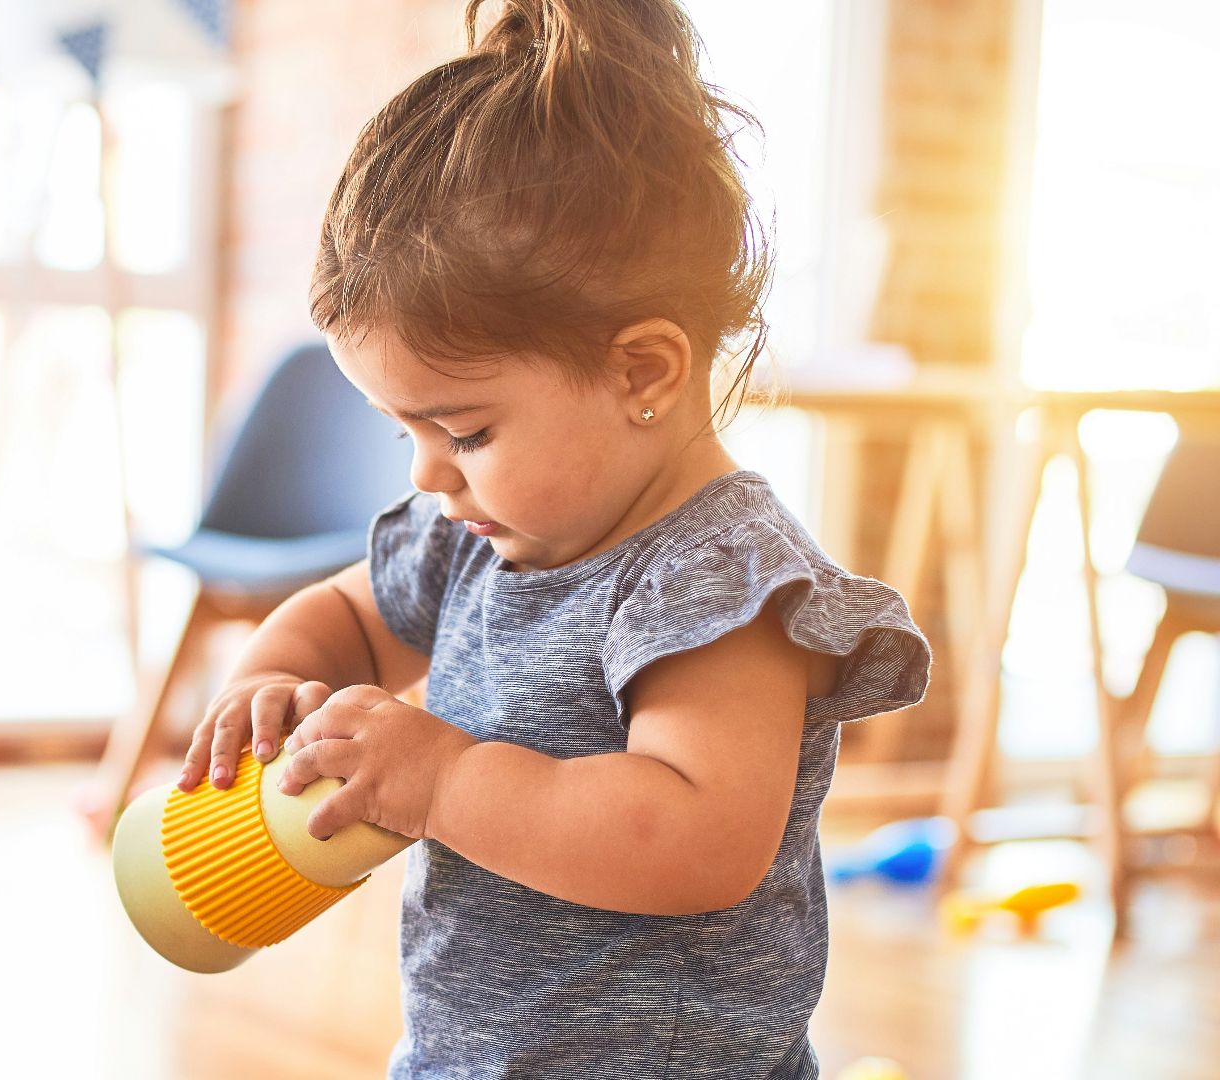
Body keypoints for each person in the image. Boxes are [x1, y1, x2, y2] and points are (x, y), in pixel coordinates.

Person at [175, 0, 934, 1076]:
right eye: (404, 431)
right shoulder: (482, 533)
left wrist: (446, 783)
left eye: (467, 430)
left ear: (644, 374)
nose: (427, 475)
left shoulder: (716, 582)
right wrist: (275, 683)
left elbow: (697, 838)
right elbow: (344, 615)